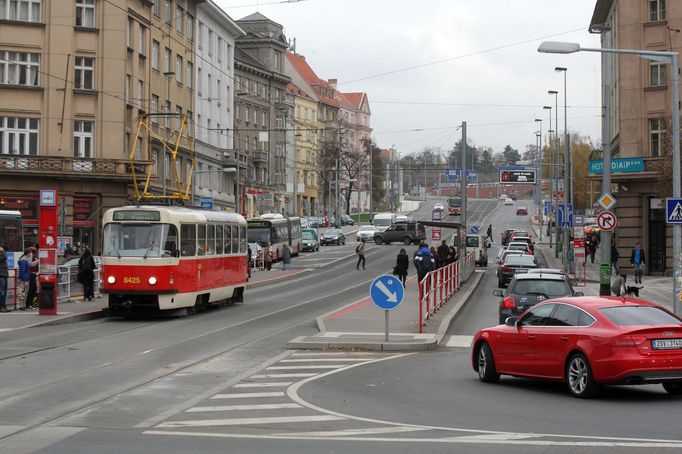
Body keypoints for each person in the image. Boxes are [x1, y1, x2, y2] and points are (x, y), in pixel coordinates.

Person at [0, 246, 9, 312]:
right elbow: (4, 257)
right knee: (2, 292)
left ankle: (3, 306)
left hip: (3, 275)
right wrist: (2, 251)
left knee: (4, 292)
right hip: (1, 275)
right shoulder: (2, 255)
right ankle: (2, 307)